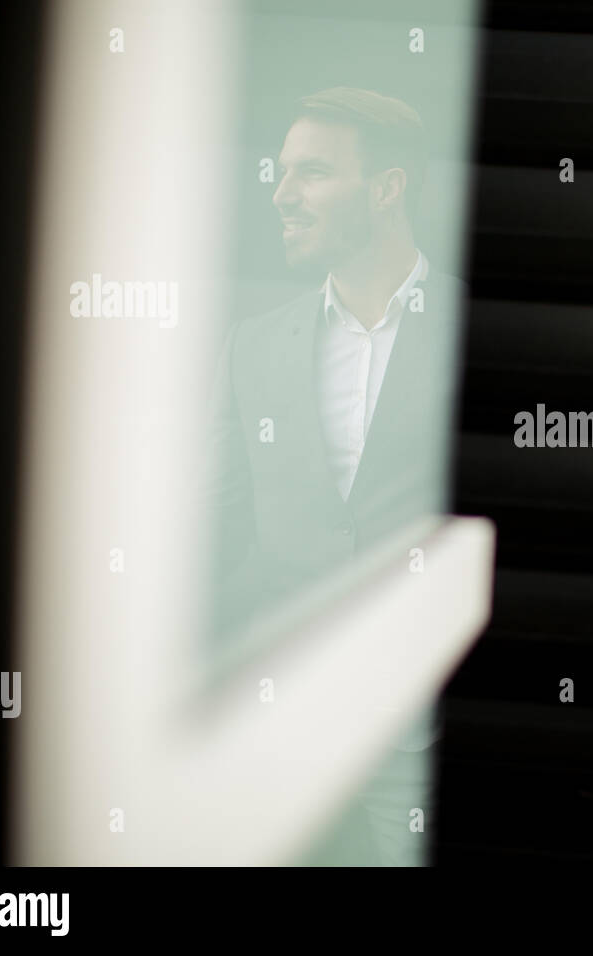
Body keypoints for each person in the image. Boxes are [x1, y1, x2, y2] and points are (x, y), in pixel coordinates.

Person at [203, 87, 465, 864]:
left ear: (387, 187)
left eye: (311, 173)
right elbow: (213, 526)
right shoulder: (253, 346)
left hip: (419, 723)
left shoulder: (464, 327)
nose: (282, 194)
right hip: (275, 714)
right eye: (282, 173)